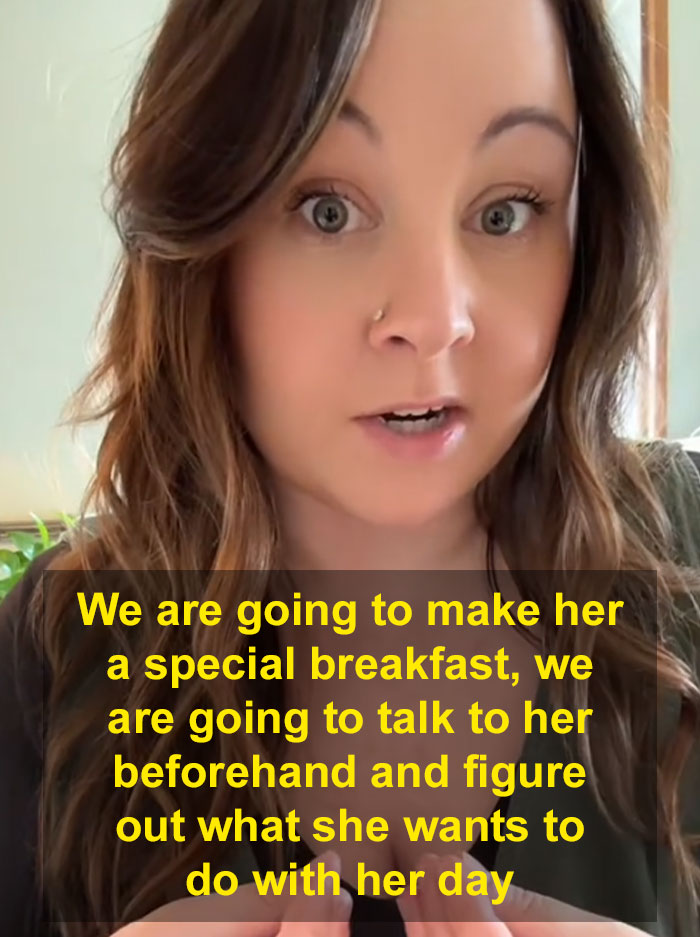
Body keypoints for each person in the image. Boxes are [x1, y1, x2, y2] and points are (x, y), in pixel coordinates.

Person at [0, 0, 699, 935]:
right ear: (202, 242)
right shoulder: (50, 652)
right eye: (327, 210)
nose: (435, 317)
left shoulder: (689, 555)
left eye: (506, 211)